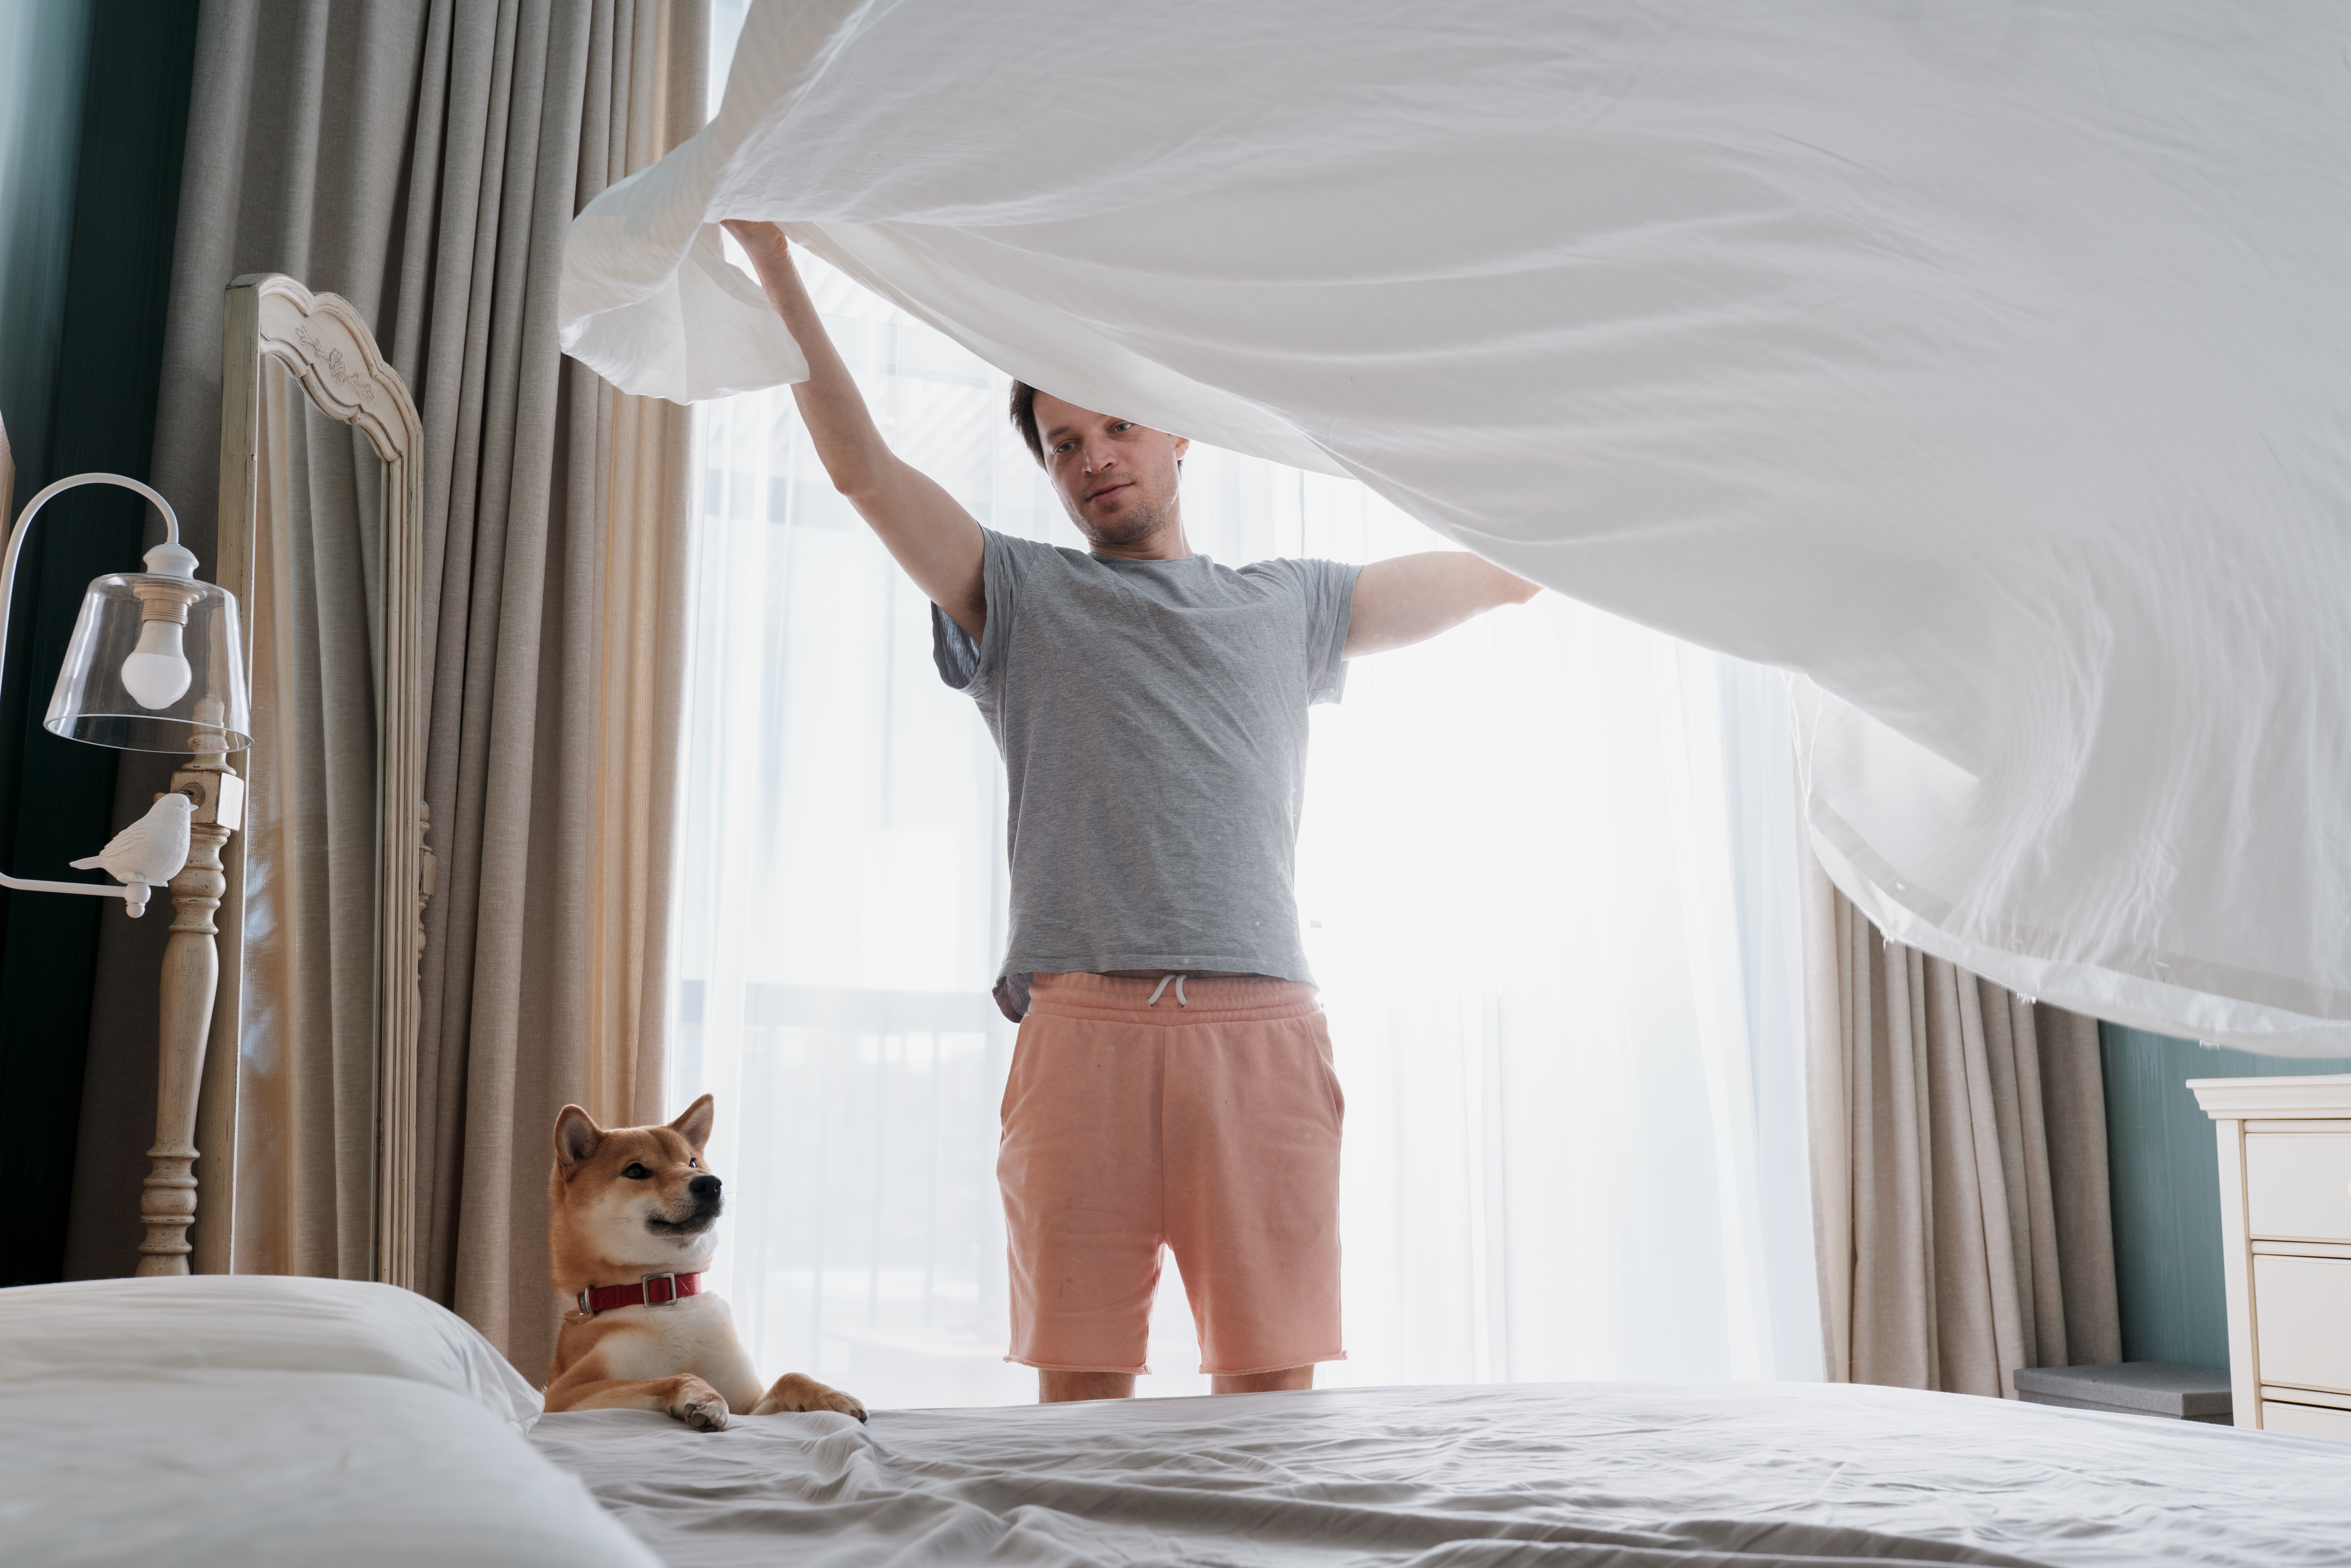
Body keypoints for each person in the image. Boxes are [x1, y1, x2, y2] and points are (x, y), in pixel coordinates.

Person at [725, 220, 1539, 1403]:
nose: (1091, 456)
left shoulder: (1291, 605)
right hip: (1081, 1034)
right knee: (1080, 1416)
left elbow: (1506, 568)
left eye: (1113, 426)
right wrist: (775, 266)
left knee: (1268, 1414)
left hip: (1258, 1036)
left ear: (1177, 431)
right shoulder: (1019, 594)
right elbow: (864, 473)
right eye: (1062, 443)